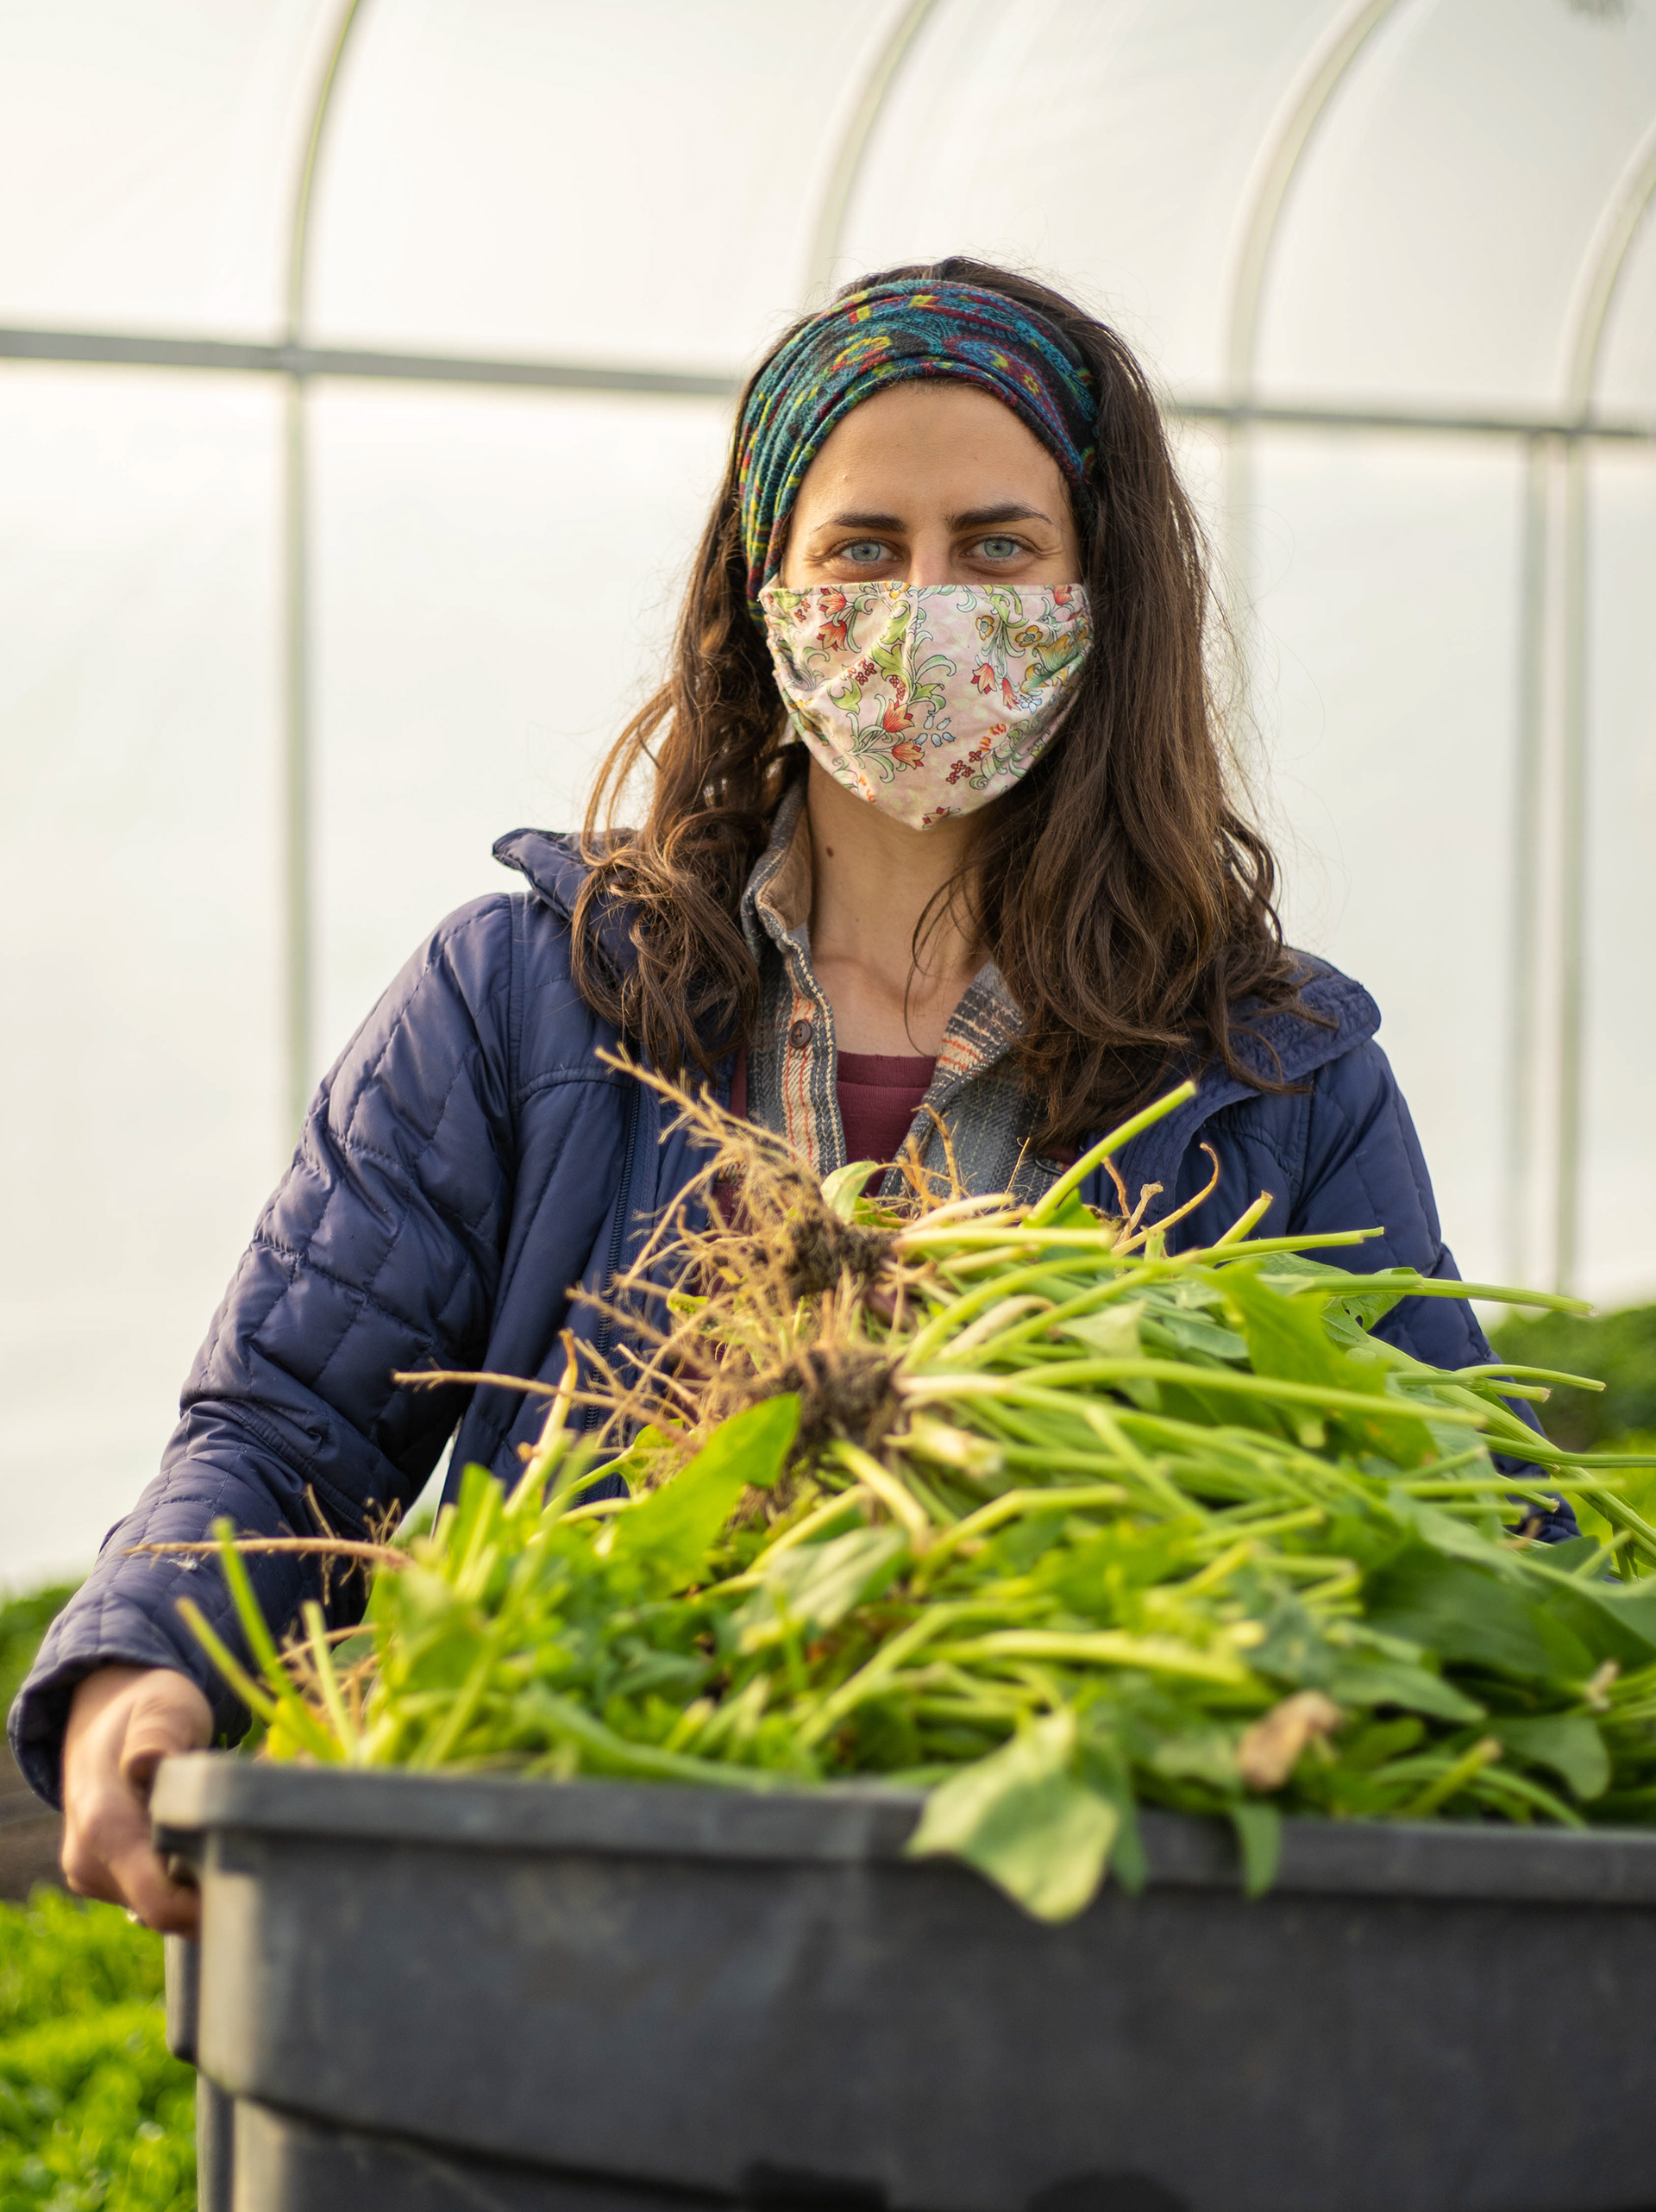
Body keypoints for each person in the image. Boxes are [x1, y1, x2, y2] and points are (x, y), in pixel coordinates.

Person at [10, 259, 1567, 1935]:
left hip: (1074, 1969)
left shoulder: (1271, 1073)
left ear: (1097, 589)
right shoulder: (530, 999)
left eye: (995, 548)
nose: (923, 611)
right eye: (862, 550)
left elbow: (1461, 1526)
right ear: (764, 587)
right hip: (566, 1926)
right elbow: (286, 1425)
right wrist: (148, 1665)